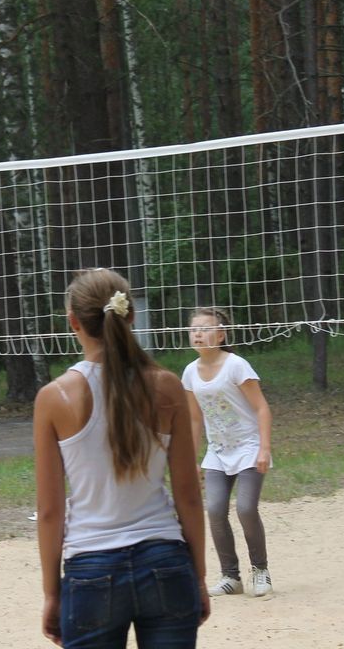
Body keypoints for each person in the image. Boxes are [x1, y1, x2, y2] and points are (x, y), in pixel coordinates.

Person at [33, 268, 209, 648]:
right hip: (165, 560)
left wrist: (51, 593)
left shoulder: (54, 397)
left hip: (91, 569)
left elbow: (49, 511)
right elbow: (189, 495)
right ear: (130, 316)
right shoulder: (166, 385)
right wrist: (198, 578)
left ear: (72, 322)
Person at [181, 307, 273, 598]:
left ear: (221, 335)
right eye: (194, 328)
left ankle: (260, 571)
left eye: (205, 328)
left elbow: (262, 408)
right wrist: (192, 459)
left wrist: (264, 448)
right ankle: (230, 577)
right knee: (215, 510)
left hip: (248, 448)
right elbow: (195, 419)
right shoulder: (189, 372)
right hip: (218, 452)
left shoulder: (236, 365)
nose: (198, 333)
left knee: (246, 508)